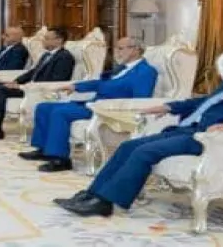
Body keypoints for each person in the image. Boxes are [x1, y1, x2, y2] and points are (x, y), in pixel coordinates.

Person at [55, 44, 223, 217]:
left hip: (210, 138)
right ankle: (93, 194)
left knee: (144, 152)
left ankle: (106, 202)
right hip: (188, 129)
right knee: (128, 145)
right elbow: (204, 102)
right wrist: (169, 106)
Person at [20, 37, 158, 172]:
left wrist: (111, 105)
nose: (117, 52)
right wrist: (75, 86)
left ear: (136, 50)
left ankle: (60, 159)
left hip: (108, 109)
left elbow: (140, 99)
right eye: (117, 48)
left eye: (121, 48)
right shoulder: (122, 68)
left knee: (60, 112)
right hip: (94, 103)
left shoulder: (145, 71)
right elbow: (100, 83)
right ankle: (43, 149)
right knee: (43, 107)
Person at [0, 27, 76, 139]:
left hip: (39, 91)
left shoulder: (65, 57)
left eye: (47, 38)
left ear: (59, 40)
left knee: (0, 90)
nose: (43, 41)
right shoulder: (46, 55)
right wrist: (16, 81)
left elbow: (56, 81)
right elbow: (33, 72)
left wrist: (22, 86)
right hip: (30, 88)